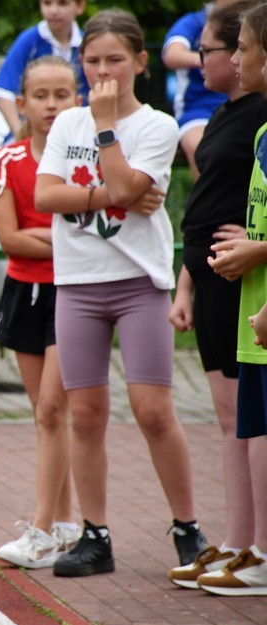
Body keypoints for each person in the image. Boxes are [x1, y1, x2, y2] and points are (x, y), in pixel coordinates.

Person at [35, 8, 208, 577]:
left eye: (115, 59)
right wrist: (111, 196)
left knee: (153, 409)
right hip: (78, 282)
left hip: (139, 284)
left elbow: (131, 182)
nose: (102, 71)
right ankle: (95, 534)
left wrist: (107, 128)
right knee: (85, 413)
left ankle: (188, 528)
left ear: (139, 61)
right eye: (92, 60)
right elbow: (46, 196)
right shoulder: (66, 124)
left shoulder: (157, 125)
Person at [167, 0, 267, 590]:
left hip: (241, 278)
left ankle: (252, 547)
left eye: (209, 49)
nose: (202, 59)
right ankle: (237, 541)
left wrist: (254, 244)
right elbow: (207, 204)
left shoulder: (260, 111)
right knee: (230, 417)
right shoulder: (228, 114)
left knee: (246, 419)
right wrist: (186, 281)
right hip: (212, 275)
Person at [0, 56, 81, 569]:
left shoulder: (85, 160)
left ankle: (43, 530)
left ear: (77, 99)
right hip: (24, 292)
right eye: (41, 96)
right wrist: (63, 235)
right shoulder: (7, 160)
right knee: (46, 415)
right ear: (22, 104)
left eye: (61, 94)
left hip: (74, 292)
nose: (51, 105)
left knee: (51, 409)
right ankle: (65, 524)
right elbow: (10, 239)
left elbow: (89, 233)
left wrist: (43, 236)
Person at [201, 0, 267, 598]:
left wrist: (258, 248)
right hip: (246, 303)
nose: (236, 60)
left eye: (241, 48)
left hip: (258, 307)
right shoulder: (256, 129)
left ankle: (260, 553)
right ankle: (249, 546)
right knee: (245, 426)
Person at [161, 0, 239, 180]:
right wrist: (208, 58)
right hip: (197, 109)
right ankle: (208, 194)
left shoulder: (253, 20)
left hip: (243, 102)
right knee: (204, 149)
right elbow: (171, 54)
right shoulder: (196, 21)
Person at [0, 0, 88, 139]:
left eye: (62, 3)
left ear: (80, 6)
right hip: (32, 134)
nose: (53, 10)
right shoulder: (29, 41)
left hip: (76, 135)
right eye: (47, 3)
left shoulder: (86, 44)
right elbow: (3, 92)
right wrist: (20, 135)